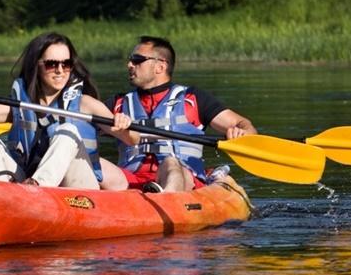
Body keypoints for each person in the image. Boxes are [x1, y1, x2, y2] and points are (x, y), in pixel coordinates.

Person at [0, 32, 137, 190]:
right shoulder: (22, 105)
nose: (60, 70)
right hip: (28, 184)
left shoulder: (86, 104)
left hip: (78, 186)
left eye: (66, 64)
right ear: (37, 65)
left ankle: (35, 187)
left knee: (67, 131)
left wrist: (123, 125)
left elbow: (131, 139)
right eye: (51, 64)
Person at [99, 36, 257, 192]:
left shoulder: (193, 98)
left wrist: (242, 133)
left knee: (171, 163)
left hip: (183, 178)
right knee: (90, 163)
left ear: (160, 67)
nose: (130, 64)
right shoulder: (117, 103)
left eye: (137, 60)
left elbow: (243, 124)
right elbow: (82, 128)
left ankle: (166, 200)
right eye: (130, 60)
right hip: (128, 180)